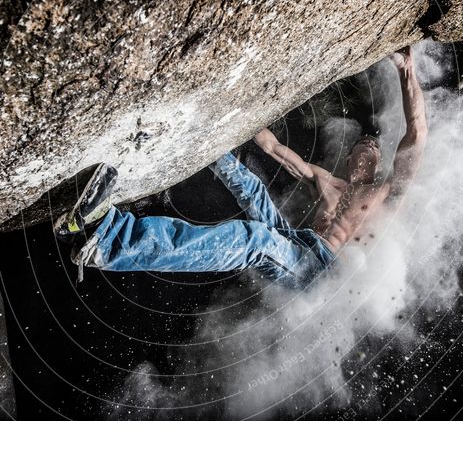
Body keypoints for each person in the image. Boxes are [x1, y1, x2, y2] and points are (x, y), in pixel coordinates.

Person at [54, 46, 427, 287]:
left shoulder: (386, 194)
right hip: (301, 243)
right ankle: (195, 134)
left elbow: (418, 134)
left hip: (318, 271)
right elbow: (271, 145)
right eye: (363, 144)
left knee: (253, 240)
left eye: (374, 147)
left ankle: (107, 242)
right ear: (350, 157)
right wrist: (228, 114)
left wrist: (407, 71)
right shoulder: (324, 178)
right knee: (249, 187)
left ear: (379, 161)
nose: (368, 148)